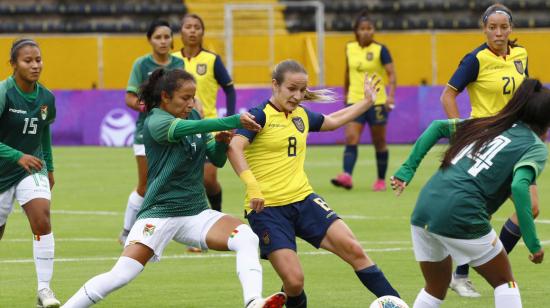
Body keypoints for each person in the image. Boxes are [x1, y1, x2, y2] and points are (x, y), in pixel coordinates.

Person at [62, 68, 286, 308]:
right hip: (159, 213)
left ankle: (253, 302)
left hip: (195, 213)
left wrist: (221, 142)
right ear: (165, 97)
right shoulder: (155, 120)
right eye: (185, 98)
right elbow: (184, 129)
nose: (191, 103)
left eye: (193, 97)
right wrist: (232, 120)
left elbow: (217, 159)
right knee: (121, 275)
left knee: (245, 237)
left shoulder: (193, 117)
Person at [227, 60, 400, 308]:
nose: (298, 96)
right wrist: (252, 186)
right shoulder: (259, 116)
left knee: (355, 250)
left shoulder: (301, 115)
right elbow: (234, 147)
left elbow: (332, 121)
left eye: (302, 90)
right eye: (292, 89)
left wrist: (366, 102)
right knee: (294, 283)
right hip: (268, 210)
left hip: (304, 200)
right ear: (275, 85)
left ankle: (399, 304)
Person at [392, 79, 548, 308]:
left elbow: (437, 127)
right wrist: (534, 244)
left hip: (425, 206)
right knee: (505, 282)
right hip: (461, 211)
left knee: (435, 288)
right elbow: (519, 187)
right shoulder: (535, 147)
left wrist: (406, 170)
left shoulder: (491, 123)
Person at [439, 4, 535, 297]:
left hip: (516, 141)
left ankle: (473, 269)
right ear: (484, 29)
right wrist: (460, 132)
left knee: (529, 207)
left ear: (511, 29)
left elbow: (524, 94)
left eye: (503, 27)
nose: (498, 32)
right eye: (492, 27)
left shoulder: (521, 55)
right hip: (487, 142)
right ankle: (465, 273)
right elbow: (448, 95)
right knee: (483, 210)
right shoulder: (475, 59)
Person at [0, 38, 59, 308]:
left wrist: (50, 166)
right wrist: (16, 156)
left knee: (42, 218)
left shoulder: (46, 97)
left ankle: (44, 290)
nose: (35, 65)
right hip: (3, 171)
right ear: (13, 64)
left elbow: (44, 131)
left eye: (38, 60)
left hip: (31, 169)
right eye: (27, 60)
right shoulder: (4, 93)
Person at [118, 20, 185, 245]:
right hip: (146, 132)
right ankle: (128, 231)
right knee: (146, 185)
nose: (163, 41)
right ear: (150, 40)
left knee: (176, 181)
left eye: (167, 37)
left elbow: (185, 95)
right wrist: (154, 108)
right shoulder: (141, 64)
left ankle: (183, 232)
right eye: (158, 37)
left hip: (174, 131)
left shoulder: (179, 64)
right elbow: (129, 98)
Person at [173, 13, 236, 213]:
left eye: (197, 27)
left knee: (208, 178)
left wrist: (229, 119)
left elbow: (229, 88)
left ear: (202, 32)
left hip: (208, 125)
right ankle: (194, 223)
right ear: (181, 31)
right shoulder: (172, 60)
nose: (192, 30)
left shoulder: (212, 59)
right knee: (186, 178)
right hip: (180, 126)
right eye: (188, 26)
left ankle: (216, 212)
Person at [331, 12, 397, 191]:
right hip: (355, 99)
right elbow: (347, 72)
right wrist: (345, 93)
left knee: (379, 141)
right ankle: (347, 176)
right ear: (356, 31)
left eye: (369, 28)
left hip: (376, 101)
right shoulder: (349, 47)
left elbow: (391, 74)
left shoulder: (381, 50)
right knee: (351, 137)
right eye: (363, 29)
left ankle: (381, 180)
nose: (366, 32)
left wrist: (390, 95)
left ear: (374, 30)